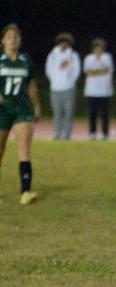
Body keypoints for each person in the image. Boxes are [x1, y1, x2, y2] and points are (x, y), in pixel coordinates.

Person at [0, 23, 41, 205]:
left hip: (22, 110)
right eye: (9, 37)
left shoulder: (26, 60)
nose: (13, 40)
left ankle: (25, 192)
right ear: (2, 41)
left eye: (16, 37)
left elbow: (31, 85)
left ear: (20, 41)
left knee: (24, 150)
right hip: (2, 110)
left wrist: (37, 106)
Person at [44, 32, 80, 140]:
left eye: (66, 43)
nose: (64, 45)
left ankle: (67, 135)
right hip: (55, 88)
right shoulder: (53, 54)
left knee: (68, 114)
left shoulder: (73, 55)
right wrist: (54, 81)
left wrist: (70, 82)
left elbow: (76, 71)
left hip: (69, 88)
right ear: (59, 43)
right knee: (57, 113)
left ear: (69, 44)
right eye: (62, 42)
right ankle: (57, 133)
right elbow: (48, 70)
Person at [83, 37, 113, 140]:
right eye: (97, 48)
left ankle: (105, 133)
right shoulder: (88, 58)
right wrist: (99, 71)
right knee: (92, 114)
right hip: (91, 91)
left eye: (100, 48)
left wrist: (95, 71)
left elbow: (107, 70)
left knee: (104, 114)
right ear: (93, 48)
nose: (98, 50)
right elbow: (87, 72)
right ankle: (92, 133)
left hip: (104, 91)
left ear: (103, 48)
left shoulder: (107, 57)